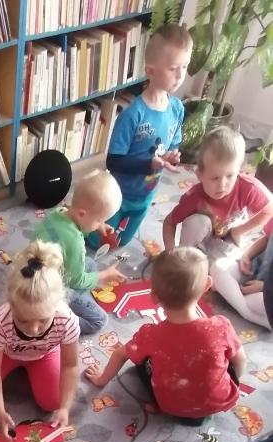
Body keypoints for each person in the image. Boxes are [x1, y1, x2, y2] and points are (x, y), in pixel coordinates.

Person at [84, 247, 246, 425]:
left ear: (153, 297)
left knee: (141, 361)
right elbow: (240, 361)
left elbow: (119, 355)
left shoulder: (149, 335)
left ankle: (162, 407)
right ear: (207, 285)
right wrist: (230, 381)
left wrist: (101, 380)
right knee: (226, 353)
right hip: (218, 401)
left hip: (171, 406)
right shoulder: (221, 326)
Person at [0, 241, 80, 438]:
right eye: (24, 320)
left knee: (54, 402)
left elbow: (71, 366)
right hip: (5, 353)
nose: (34, 329)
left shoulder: (66, 320)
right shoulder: (1, 320)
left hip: (44, 354)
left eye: (43, 320)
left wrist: (65, 408)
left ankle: (40, 363)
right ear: (11, 305)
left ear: (57, 304)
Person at [90, 23, 192, 248]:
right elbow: (113, 161)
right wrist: (149, 164)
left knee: (123, 241)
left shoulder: (176, 108)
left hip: (146, 193)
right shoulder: (133, 114)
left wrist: (173, 156)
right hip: (117, 194)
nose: (180, 75)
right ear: (151, 71)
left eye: (184, 66)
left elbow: (173, 145)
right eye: (173, 68)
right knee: (97, 241)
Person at [33, 169, 127, 335]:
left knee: (89, 263)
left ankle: (72, 302)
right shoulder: (75, 242)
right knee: (99, 320)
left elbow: (70, 230)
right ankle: (54, 322)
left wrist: (97, 225)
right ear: (82, 213)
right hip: (50, 289)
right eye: (99, 220)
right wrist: (105, 275)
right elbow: (76, 280)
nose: (101, 224)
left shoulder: (59, 212)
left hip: (39, 270)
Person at [163, 126, 273, 260]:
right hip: (200, 237)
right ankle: (186, 260)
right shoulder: (193, 197)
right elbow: (169, 222)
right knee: (197, 224)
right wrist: (172, 253)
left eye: (230, 176)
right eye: (215, 178)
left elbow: (269, 210)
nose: (222, 185)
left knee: (228, 268)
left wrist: (240, 230)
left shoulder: (248, 187)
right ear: (199, 174)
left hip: (229, 237)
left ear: (239, 171)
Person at [209, 215, 273, 330]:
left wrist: (265, 287)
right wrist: (246, 255)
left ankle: (244, 309)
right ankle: (246, 308)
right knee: (218, 266)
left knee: (261, 302)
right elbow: (265, 239)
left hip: (267, 291)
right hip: (254, 270)